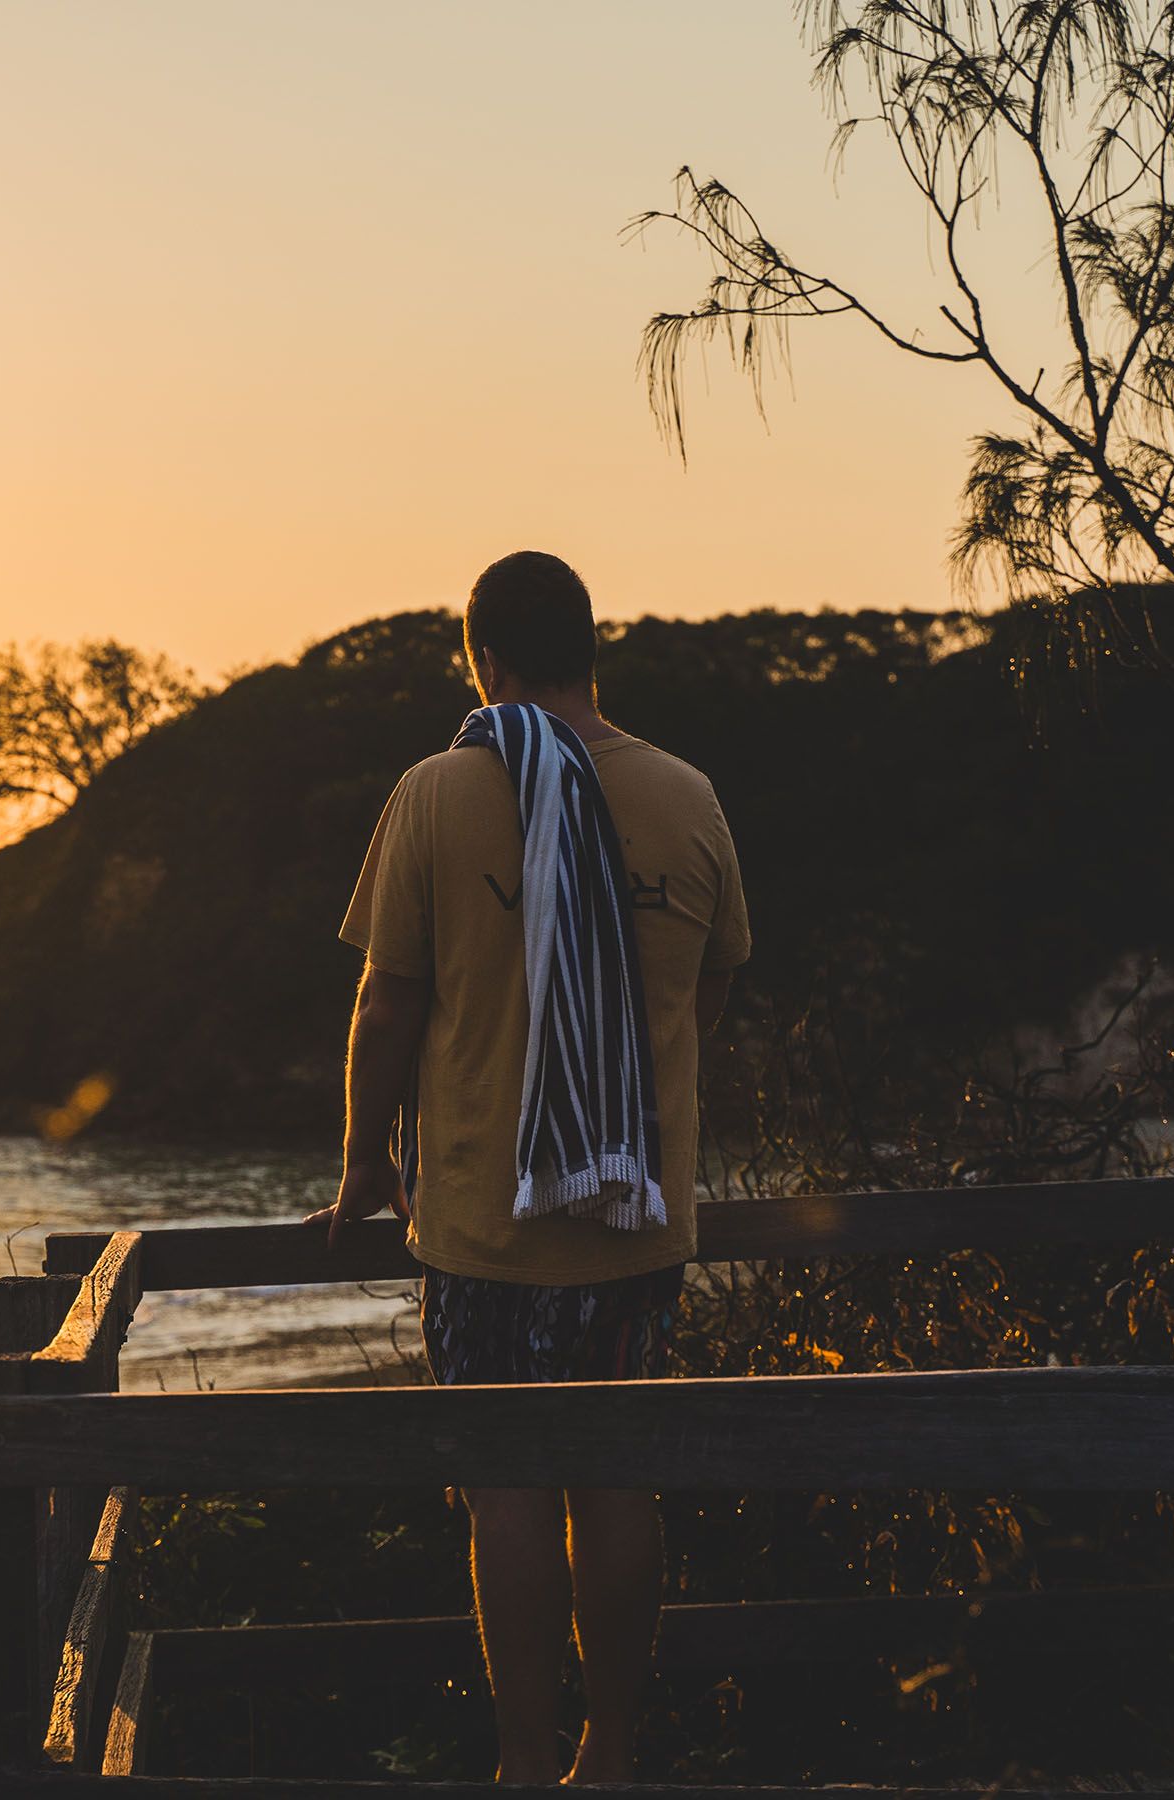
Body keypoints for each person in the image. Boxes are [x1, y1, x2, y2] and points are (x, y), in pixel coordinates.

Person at [308, 549, 749, 1785]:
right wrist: (631, 1085)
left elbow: (386, 1009)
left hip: (482, 1222)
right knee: (615, 1482)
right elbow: (714, 978)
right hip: (635, 1215)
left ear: (483, 663)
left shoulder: (440, 794)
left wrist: (360, 1169)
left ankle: (519, 1763)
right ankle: (609, 1757)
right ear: (594, 651)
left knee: (505, 1492)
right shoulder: (688, 796)